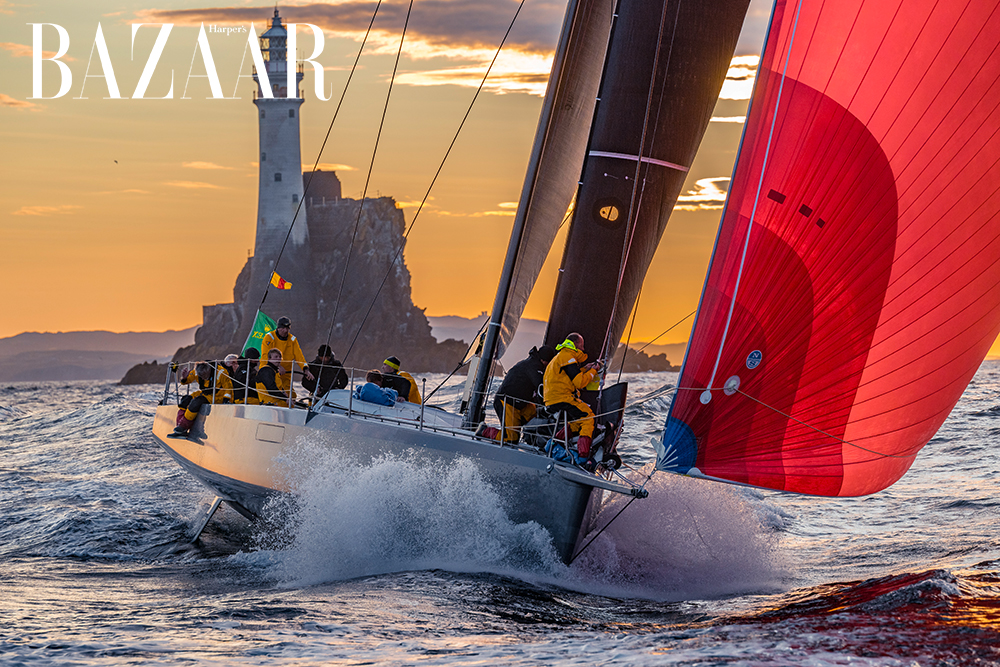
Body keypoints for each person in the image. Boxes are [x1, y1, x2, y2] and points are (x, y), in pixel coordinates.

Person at [478, 345, 556, 443]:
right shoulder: (534, 367)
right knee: (511, 438)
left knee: (537, 416)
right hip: (507, 401)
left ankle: (530, 438)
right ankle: (484, 431)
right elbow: (541, 386)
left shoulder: (532, 363)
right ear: (544, 360)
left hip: (520, 403)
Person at [542, 333, 601, 457]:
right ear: (576, 344)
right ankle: (583, 454)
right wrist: (593, 370)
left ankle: (554, 442)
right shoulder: (568, 357)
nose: (583, 349)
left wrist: (585, 369)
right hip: (562, 398)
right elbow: (579, 383)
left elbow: (568, 376)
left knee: (577, 420)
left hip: (552, 399)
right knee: (588, 417)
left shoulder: (561, 356)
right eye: (582, 345)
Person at [172, 360, 233, 436]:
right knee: (186, 399)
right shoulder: (197, 371)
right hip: (205, 394)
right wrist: (184, 378)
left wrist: (226, 399)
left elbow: (228, 387)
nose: (203, 378)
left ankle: (184, 426)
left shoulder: (221, 372)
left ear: (209, 371)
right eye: (201, 376)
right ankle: (179, 427)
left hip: (218, 396)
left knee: (196, 402)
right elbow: (187, 381)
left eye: (205, 376)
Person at [259, 316, 314, 385]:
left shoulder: (292, 340)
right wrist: (278, 366)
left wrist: (305, 369)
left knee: (289, 392)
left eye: (287, 328)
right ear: (278, 328)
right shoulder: (269, 338)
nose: (285, 331)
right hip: (268, 375)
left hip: (285, 376)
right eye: (283, 328)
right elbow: (265, 356)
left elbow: (299, 356)